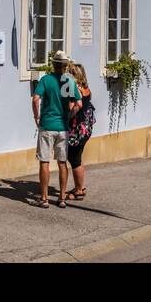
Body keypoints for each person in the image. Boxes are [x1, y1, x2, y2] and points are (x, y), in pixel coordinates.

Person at [31, 49, 80, 208]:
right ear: (65, 65)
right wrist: (69, 116)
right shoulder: (69, 81)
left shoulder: (46, 79)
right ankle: (62, 198)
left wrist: (36, 117)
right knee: (62, 162)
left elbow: (35, 99)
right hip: (62, 127)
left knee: (44, 161)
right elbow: (78, 104)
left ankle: (44, 198)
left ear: (53, 64)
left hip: (47, 125)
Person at [66, 63, 95, 200]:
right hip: (85, 128)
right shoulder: (85, 87)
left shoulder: (74, 89)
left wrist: (67, 117)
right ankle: (80, 186)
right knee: (77, 157)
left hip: (76, 130)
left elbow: (74, 106)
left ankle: (79, 190)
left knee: (74, 158)